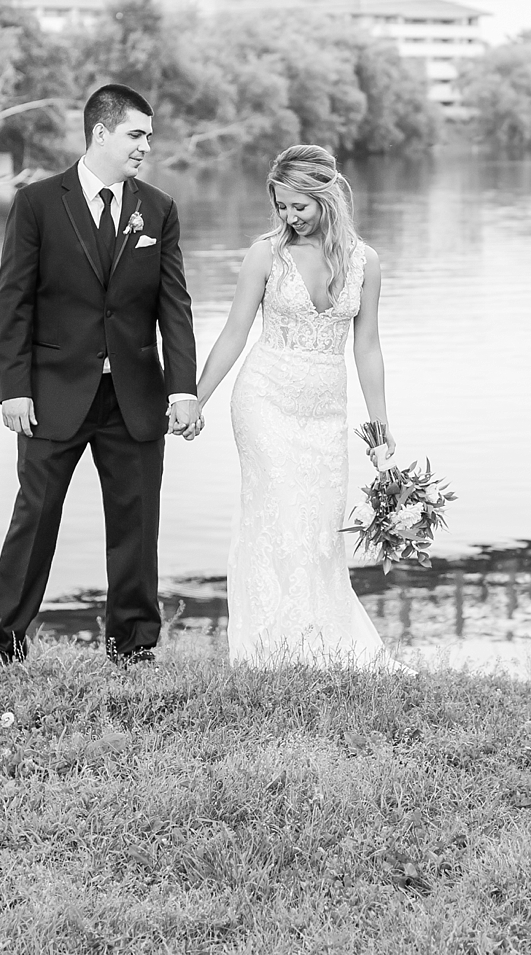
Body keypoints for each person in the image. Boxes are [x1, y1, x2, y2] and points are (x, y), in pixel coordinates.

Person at [0, 83, 199, 665]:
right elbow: (14, 302)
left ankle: (133, 646)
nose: (145, 148)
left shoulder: (157, 209)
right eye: (136, 135)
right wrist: (14, 389)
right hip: (52, 392)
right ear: (100, 133)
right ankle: (4, 643)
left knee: (136, 523)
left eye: (149, 138)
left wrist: (183, 388)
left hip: (134, 396)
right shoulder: (36, 204)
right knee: (35, 518)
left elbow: (173, 307)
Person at [187, 144, 399, 669]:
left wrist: (380, 426)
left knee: (320, 528)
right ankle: (268, 648)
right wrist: (196, 397)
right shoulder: (266, 254)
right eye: (281, 206)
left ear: (326, 196)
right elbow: (236, 331)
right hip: (265, 399)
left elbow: (367, 346)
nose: (288, 217)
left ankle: (316, 642)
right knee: (277, 515)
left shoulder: (365, 261)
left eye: (298, 206)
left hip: (326, 411)